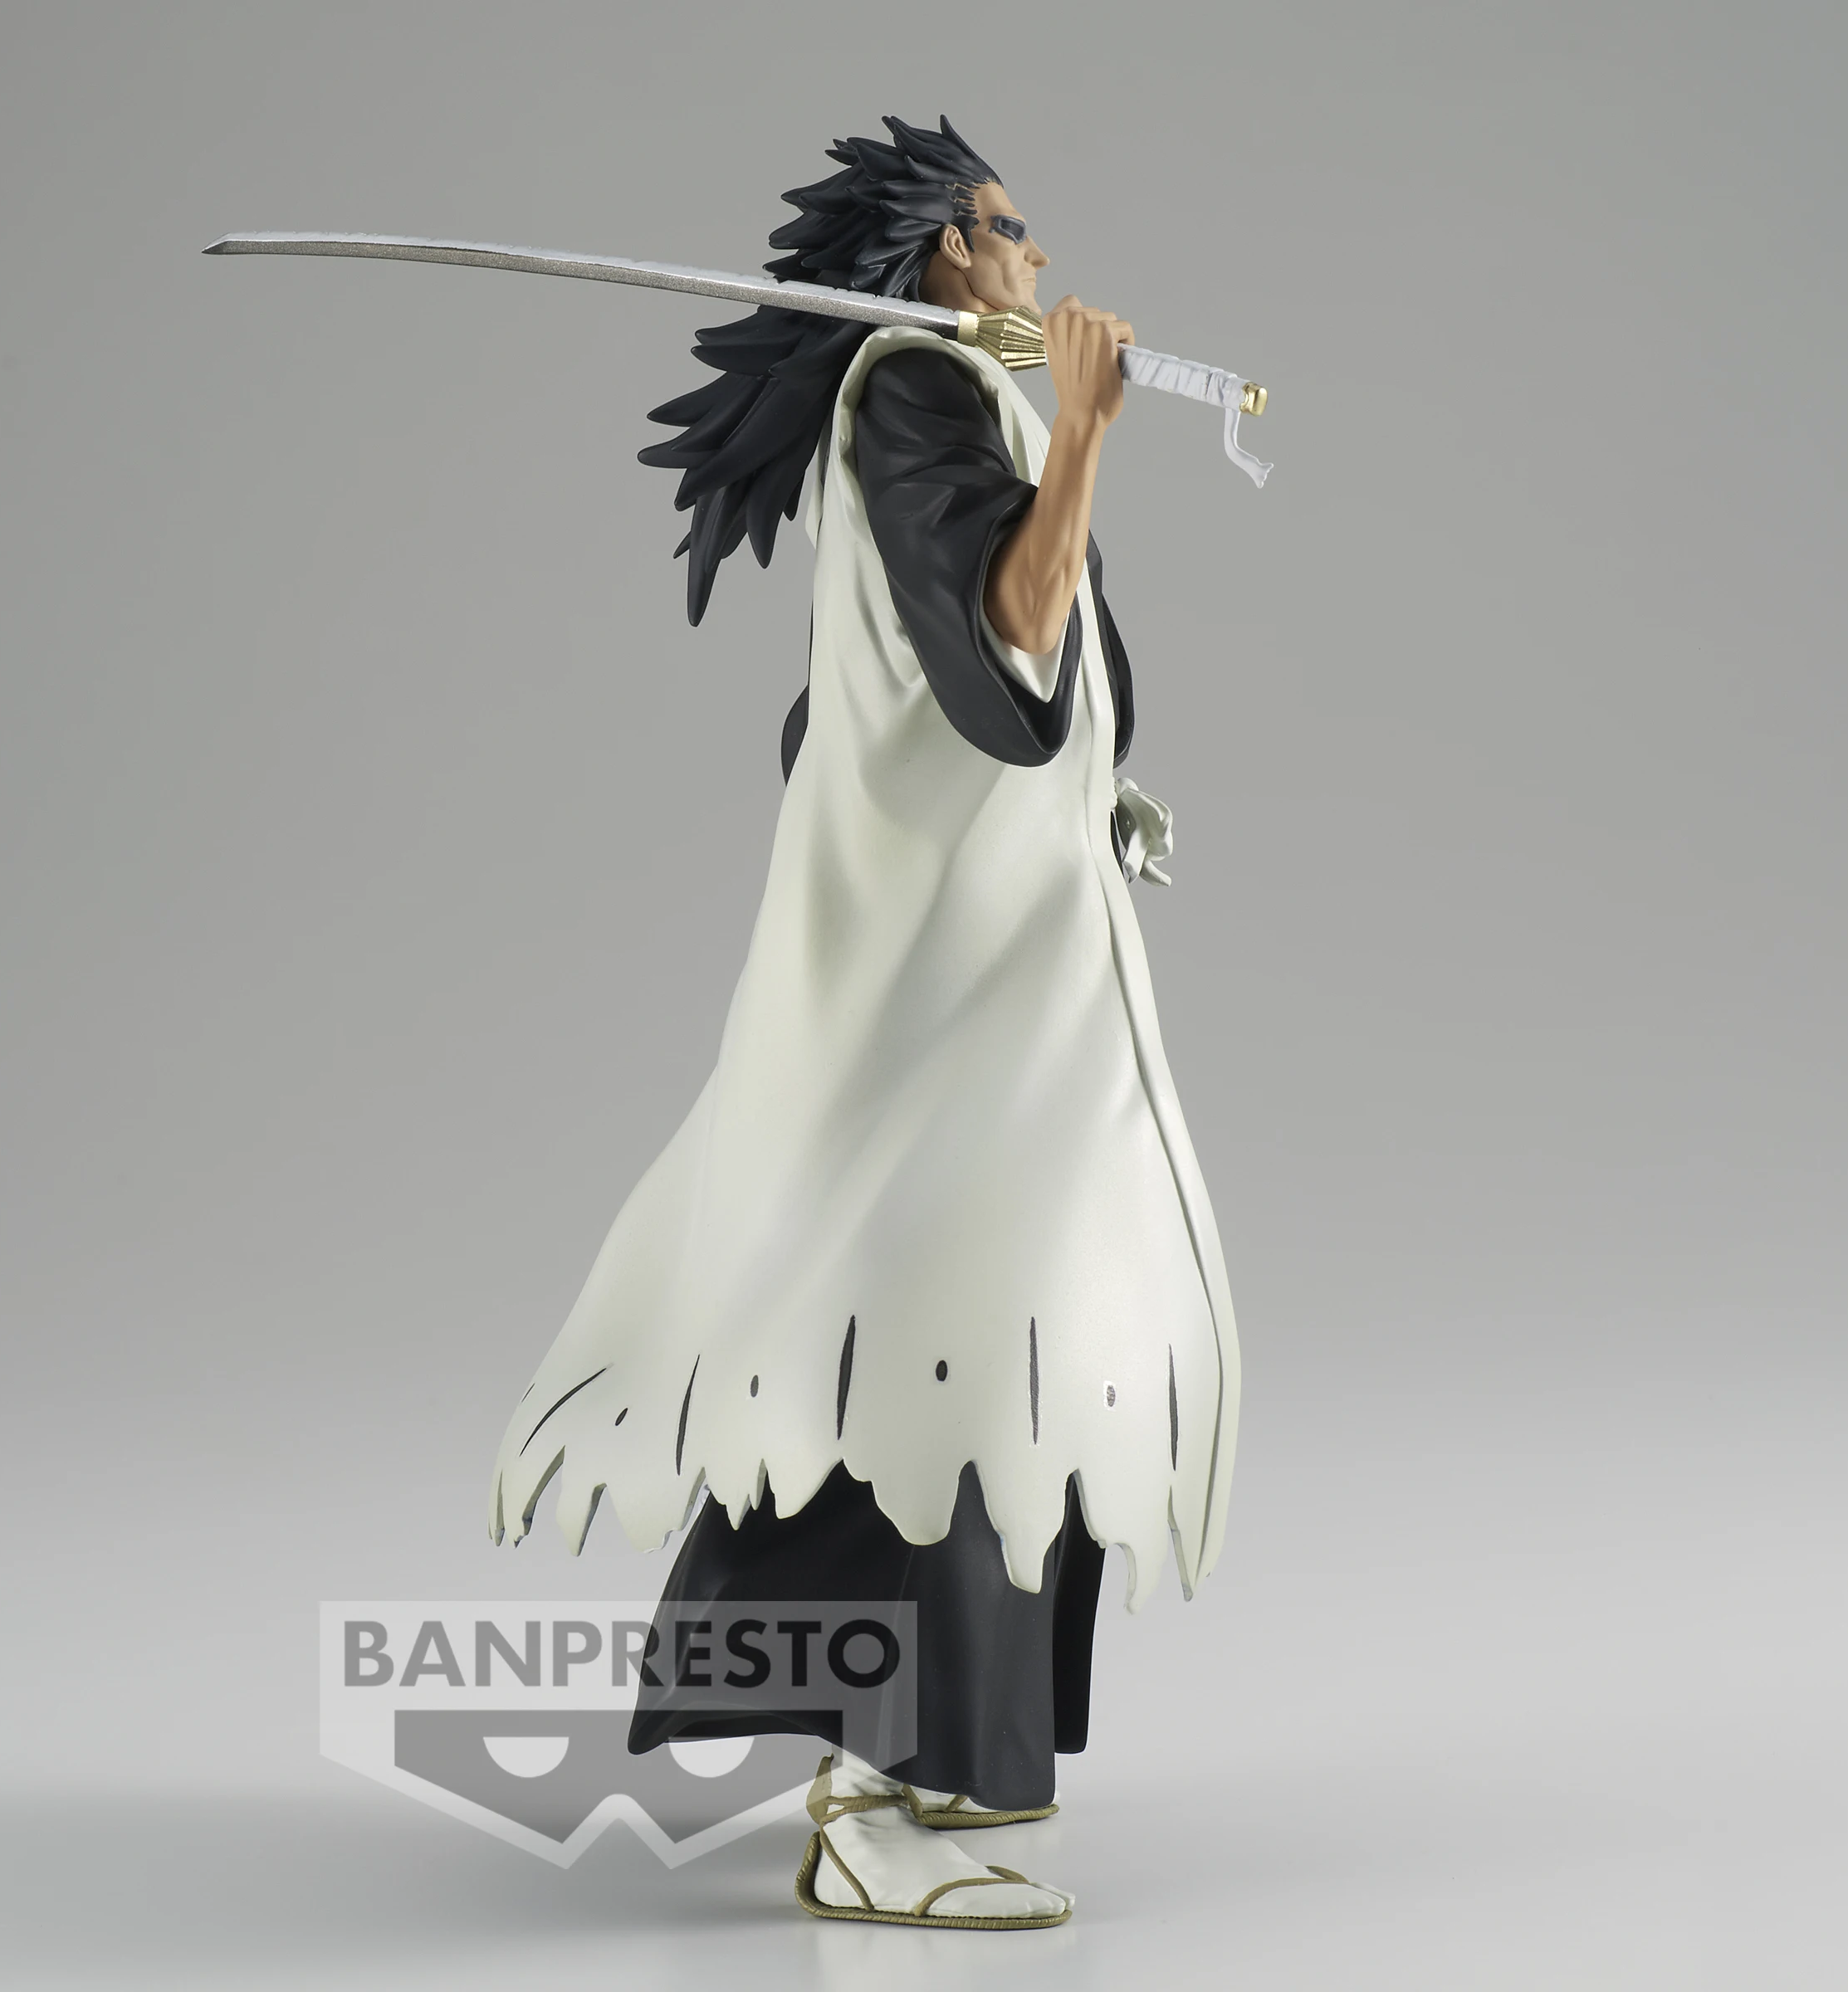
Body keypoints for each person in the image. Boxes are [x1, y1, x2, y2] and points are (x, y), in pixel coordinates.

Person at [490, 115, 1241, 1929]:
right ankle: (873, 1800)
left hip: (1005, 969)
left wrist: (1097, 802)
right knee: (940, 1347)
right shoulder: (911, 390)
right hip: (945, 997)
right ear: (941, 256)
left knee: (1004, 1339)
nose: (1039, 261)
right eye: (1010, 231)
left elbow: (940, 704)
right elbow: (1005, 657)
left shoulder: (949, 398)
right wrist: (1088, 436)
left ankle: (946, 1766)